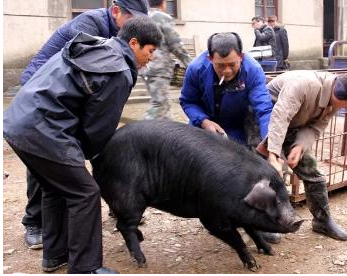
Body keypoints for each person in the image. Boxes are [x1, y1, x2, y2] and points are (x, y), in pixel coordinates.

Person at [3, 17, 162, 273]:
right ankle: (85, 268)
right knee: (85, 194)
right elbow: (97, 129)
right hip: (43, 130)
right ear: (134, 43)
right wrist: (91, 156)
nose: (151, 58)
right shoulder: (119, 70)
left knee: (55, 189)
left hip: (16, 122)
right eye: (150, 51)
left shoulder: (93, 46)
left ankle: (55, 256)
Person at [257, 70, 347, 242]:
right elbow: (280, 117)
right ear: (344, 96)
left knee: (313, 173)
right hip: (264, 120)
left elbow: (316, 127)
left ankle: (322, 221)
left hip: (290, 127)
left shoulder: (334, 101)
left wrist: (300, 146)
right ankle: (261, 224)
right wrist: (273, 154)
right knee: (270, 174)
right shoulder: (303, 84)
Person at [179, 32, 273, 145]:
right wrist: (204, 122)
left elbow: (264, 108)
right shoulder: (196, 69)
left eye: (232, 64)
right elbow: (188, 101)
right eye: (220, 65)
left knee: (238, 158)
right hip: (202, 125)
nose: (227, 71)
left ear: (241, 57)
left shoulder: (253, 70)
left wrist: (270, 143)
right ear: (210, 59)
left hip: (236, 127)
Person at [142, 0, 192, 120]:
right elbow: (175, 44)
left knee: (163, 104)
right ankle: (144, 132)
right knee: (158, 104)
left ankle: (166, 132)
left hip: (145, 66)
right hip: (159, 68)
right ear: (163, 3)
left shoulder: (143, 16)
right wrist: (191, 64)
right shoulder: (161, 17)